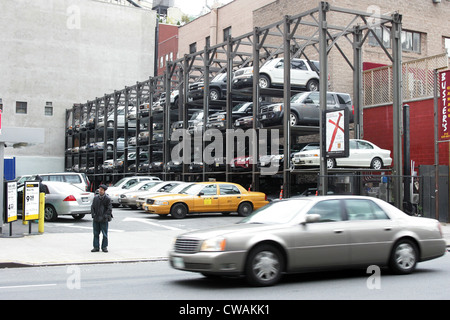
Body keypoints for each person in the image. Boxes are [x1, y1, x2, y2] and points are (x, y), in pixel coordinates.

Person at [90, 184, 113, 252]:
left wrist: (105, 216)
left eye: (101, 190)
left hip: (104, 219)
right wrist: (93, 214)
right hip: (96, 218)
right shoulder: (96, 198)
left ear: (104, 191)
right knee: (96, 233)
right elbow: (92, 207)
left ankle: (104, 247)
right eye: (99, 190)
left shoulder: (107, 198)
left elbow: (109, 209)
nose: (100, 191)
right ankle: (96, 247)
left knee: (104, 234)